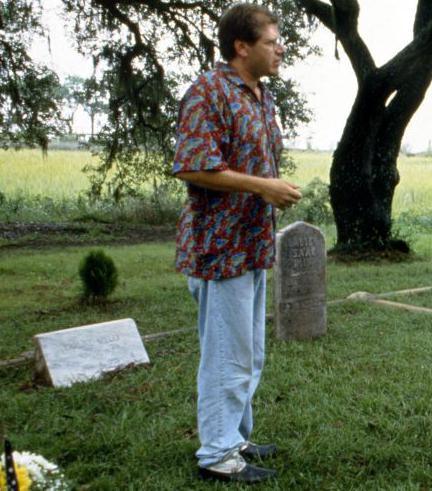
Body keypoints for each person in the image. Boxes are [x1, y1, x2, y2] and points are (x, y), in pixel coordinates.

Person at [172, 3, 302, 483]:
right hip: (218, 246)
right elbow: (191, 165)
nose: (280, 48)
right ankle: (217, 454)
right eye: (272, 41)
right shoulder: (209, 93)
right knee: (226, 352)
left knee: (249, 351)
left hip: (251, 244)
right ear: (241, 46)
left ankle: (237, 438)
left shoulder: (260, 96)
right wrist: (264, 187)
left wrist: (267, 188)